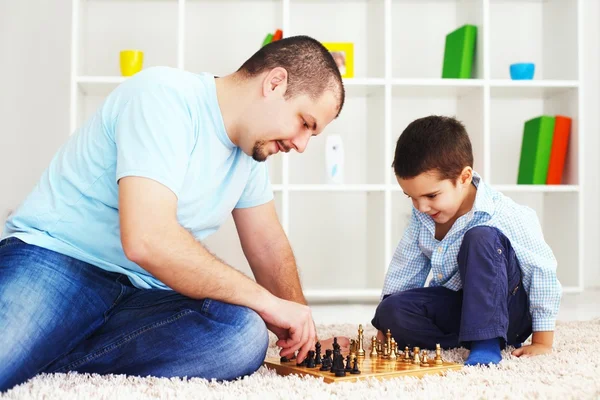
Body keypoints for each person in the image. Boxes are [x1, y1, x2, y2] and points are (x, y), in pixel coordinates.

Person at [0, 35, 346, 392]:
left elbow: (269, 245)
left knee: (242, 334)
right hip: (59, 262)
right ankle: (45, 343)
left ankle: (49, 348)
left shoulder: (251, 154)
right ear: (275, 83)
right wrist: (267, 302)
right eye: (305, 123)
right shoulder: (163, 96)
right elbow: (147, 240)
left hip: (143, 295)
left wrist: (304, 335)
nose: (302, 145)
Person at [371, 115, 562, 366]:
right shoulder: (423, 215)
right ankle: (468, 338)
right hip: (460, 307)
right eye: (411, 197)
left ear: (464, 177)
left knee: (480, 237)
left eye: (431, 195)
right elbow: (405, 269)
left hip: (509, 312)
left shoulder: (503, 213)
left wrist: (542, 341)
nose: (421, 206)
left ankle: (487, 341)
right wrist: (386, 329)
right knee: (390, 311)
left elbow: (541, 272)